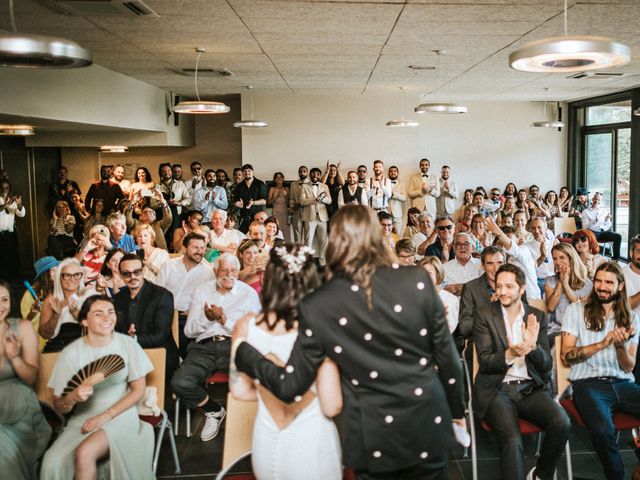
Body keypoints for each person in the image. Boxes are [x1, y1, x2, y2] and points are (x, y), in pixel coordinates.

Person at [233, 205, 465, 480]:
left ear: (335, 241)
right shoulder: (415, 279)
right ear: (377, 236)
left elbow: (289, 385)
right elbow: (448, 360)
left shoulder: (319, 303)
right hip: (428, 421)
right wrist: (457, 414)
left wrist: (243, 351)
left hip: (372, 434)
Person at [230, 244, 342, 480]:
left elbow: (239, 391)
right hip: (313, 445)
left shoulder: (245, 325)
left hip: (267, 443)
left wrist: (267, 390)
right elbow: (331, 405)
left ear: (269, 280)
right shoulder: (323, 329)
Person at [40, 295, 154, 480]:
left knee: (84, 453)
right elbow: (60, 405)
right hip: (83, 417)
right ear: (84, 321)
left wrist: (104, 416)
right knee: (51, 461)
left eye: (110, 312)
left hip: (120, 414)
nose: (107, 318)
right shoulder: (71, 353)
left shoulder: (127, 344)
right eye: (98, 314)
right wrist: (74, 397)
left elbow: (138, 390)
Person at [474, 263, 570, 480]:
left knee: (561, 423)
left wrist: (533, 347)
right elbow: (486, 362)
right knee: (512, 440)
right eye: (499, 286)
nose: (502, 292)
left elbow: (545, 366)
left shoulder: (536, 316)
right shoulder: (484, 315)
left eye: (509, 286)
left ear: (522, 288)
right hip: (497, 390)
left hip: (530, 389)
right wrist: (510, 354)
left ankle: (540, 474)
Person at [561, 262, 640, 480]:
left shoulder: (632, 318)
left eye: (608, 282)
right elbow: (566, 355)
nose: (601, 287)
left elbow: (629, 366)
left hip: (623, 383)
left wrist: (619, 346)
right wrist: (602, 343)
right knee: (604, 430)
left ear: (620, 286)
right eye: (598, 281)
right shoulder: (576, 310)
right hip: (588, 384)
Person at [171, 253, 261, 442]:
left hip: (234, 345)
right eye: (224, 270)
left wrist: (224, 320)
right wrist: (206, 318)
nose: (229, 275)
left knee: (256, 376)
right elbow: (188, 332)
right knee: (180, 382)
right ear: (215, 271)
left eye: (234, 271)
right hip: (203, 347)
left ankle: (250, 422)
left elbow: (255, 332)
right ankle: (214, 411)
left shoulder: (247, 293)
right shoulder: (202, 291)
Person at [0, 279, 52, 480]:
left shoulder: (22, 327)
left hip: (19, 408)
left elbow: (32, 377)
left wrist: (14, 358)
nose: (0, 306)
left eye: (4, 300)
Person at [114, 254, 178, 380]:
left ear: (143, 271)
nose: (132, 277)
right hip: (126, 357)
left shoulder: (162, 295)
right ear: (121, 275)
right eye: (126, 274)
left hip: (157, 354)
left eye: (136, 272)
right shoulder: (117, 299)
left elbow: (161, 335)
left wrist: (133, 340)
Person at [156, 233, 214, 356]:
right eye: (195, 247)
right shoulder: (169, 265)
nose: (199, 251)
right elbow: (158, 292)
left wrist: (194, 311)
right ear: (184, 248)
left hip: (187, 318)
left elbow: (208, 300)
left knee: (183, 341)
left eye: (202, 248)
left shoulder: (208, 272)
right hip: (164, 314)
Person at [39, 258, 97, 352]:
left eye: (77, 275)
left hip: (83, 350)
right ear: (59, 277)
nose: (72, 279)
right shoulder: (51, 300)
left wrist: (74, 311)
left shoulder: (89, 295)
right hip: (56, 350)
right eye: (67, 275)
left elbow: (96, 328)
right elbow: (45, 334)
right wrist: (55, 316)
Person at [485, 217, 541, 300]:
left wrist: (497, 231)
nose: (503, 241)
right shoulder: (504, 260)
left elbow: (515, 249)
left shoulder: (524, 250)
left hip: (532, 300)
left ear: (518, 239)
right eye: (501, 240)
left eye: (508, 236)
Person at [544, 243, 592, 337]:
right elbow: (550, 307)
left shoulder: (587, 283)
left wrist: (566, 285)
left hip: (580, 329)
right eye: (555, 258)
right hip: (556, 330)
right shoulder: (550, 281)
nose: (557, 262)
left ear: (571, 259)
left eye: (562, 257)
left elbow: (582, 310)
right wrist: (561, 282)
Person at [458, 246, 506, 338]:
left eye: (500, 263)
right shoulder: (471, 288)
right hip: (482, 342)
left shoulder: (516, 287)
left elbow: (525, 318)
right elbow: (464, 327)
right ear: (483, 266)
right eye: (490, 263)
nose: (496, 269)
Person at [21, 256, 59, 351]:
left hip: (57, 340)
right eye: (53, 270)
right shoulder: (30, 294)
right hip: (39, 342)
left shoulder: (60, 289)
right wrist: (34, 310)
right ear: (45, 274)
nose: (57, 273)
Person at [300, 167, 331, 265]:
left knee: (323, 242)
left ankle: (322, 263)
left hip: (322, 218)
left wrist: (322, 199)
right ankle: (307, 263)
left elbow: (329, 201)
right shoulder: (304, 186)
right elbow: (302, 201)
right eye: (313, 173)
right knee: (308, 242)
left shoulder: (324, 186)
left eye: (317, 174)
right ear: (310, 175)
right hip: (309, 218)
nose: (315, 176)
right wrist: (315, 200)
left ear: (320, 175)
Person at [420, 256, 459, 333]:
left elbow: (448, 330)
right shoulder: (413, 296)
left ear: (437, 275)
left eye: (429, 273)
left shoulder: (449, 299)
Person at [581, 192, 622, 260]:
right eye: (595, 199)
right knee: (590, 238)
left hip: (602, 232)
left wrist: (607, 220)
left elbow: (608, 225)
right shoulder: (585, 212)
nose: (596, 201)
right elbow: (584, 227)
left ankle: (615, 259)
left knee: (618, 236)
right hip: (591, 232)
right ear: (592, 199)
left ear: (600, 201)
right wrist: (594, 221)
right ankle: (592, 259)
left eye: (598, 200)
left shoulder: (603, 211)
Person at [0, 180, 25, 280]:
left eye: (6, 188)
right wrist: (7, 204)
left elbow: (22, 214)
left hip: (9, 234)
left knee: (10, 258)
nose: (4, 190)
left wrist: (19, 204)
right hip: (0, 234)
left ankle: (8, 280)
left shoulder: (12, 201)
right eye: (2, 188)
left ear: (9, 189)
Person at [233, 164, 268, 233]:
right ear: (243, 173)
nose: (247, 173)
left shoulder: (260, 183)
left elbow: (264, 201)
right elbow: (235, 201)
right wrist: (237, 204)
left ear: (253, 172)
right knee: (244, 237)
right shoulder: (239, 186)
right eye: (245, 171)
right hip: (244, 216)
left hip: (257, 216)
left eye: (249, 171)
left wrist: (253, 202)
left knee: (258, 235)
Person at [267, 171, 291, 242]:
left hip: (285, 212)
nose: (279, 179)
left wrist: (286, 196)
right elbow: (268, 202)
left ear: (283, 179)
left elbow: (289, 203)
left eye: (280, 177)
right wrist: (276, 196)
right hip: (276, 212)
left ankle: (287, 247)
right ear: (274, 180)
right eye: (277, 177)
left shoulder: (287, 189)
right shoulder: (272, 189)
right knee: (276, 229)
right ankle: (277, 245)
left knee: (286, 231)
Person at [288, 165, 309, 244]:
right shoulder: (293, 184)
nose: (302, 173)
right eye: (300, 171)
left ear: (307, 173)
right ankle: (298, 255)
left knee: (308, 237)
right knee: (297, 236)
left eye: (304, 171)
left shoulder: (311, 184)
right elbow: (291, 198)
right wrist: (293, 207)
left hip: (308, 212)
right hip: (297, 212)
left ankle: (307, 255)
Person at [387, 165, 407, 234]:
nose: (393, 173)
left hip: (397, 213)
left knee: (397, 233)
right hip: (386, 212)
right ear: (389, 173)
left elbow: (404, 198)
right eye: (391, 171)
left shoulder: (402, 184)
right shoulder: (385, 183)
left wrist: (394, 195)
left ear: (397, 173)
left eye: (395, 171)